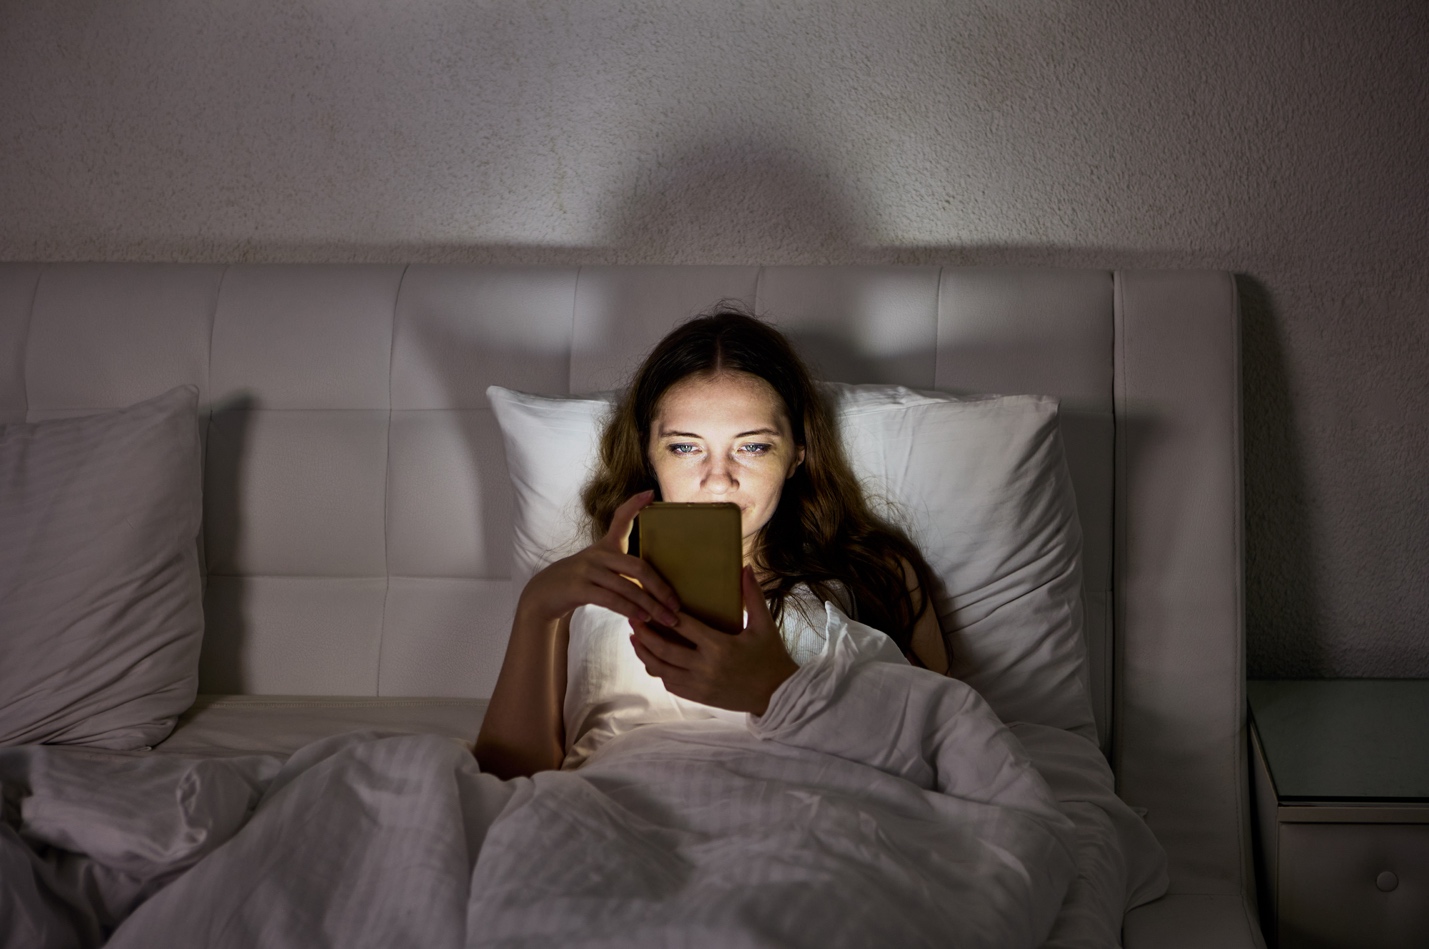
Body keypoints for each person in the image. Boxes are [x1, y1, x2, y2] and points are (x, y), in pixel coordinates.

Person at [475, 307, 947, 780]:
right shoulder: (582, 589)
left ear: (796, 454)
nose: (718, 479)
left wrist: (776, 691)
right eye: (685, 447)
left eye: (753, 446)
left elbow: (947, 753)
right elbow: (506, 779)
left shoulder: (873, 570)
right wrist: (537, 608)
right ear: (648, 453)